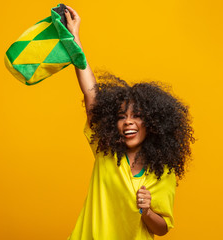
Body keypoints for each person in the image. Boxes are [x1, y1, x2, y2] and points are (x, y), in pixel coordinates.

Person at [64, 5, 194, 240]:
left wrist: (147, 210)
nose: (128, 123)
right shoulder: (106, 152)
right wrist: (75, 38)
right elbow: (91, 93)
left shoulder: (162, 172)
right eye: (121, 117)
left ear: (153, 123)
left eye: (137, 116)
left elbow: (162, 228)